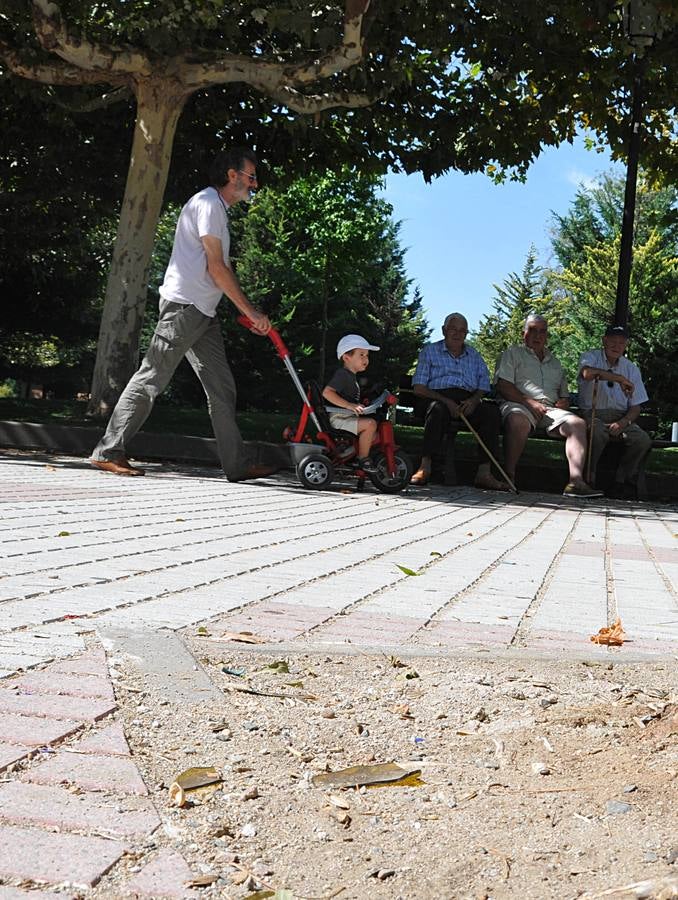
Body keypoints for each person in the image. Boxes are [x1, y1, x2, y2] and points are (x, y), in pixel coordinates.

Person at [90, 147, 278, 481]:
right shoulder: (208, 204)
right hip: (184, 308)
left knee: (221, 388)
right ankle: (108, 450)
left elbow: (215, 270)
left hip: (202, 311)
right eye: (251, 176)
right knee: (151, 377)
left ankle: (237, 465)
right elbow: (216, 267)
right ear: (231, 175)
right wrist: (250, 311)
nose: (255, 184)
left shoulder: (216, 208)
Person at [495, 314, 602, 498]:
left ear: (547, 336)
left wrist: (564, 402)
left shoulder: (555, 362)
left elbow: (564, 395)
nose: (538, 335)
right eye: (533, 330)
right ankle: (508, 476)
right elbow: (503, 386)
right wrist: (529, 402)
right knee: (518, 421)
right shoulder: (512, 353)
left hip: (550, 410)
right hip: (519, 403)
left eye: (542, 332)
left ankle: (575, 482)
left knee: (577, 424)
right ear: (524, 334)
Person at [410, 313, 509, 490]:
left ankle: (484, 473)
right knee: (437, 410)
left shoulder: (474, 355)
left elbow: (484, 385)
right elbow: (419, 388)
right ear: (444, 330)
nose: (457, 334)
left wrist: (473, 400)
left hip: (467, 401)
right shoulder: (430, 351)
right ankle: (425, 466)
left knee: (491, 413)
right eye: (453, 329)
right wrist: (446, 401)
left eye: (462, 331)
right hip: (437, 398)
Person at [578, 324, 651, 498]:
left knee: (642, 439)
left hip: (621, 416)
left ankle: (622, 481)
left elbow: (635, 406)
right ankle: (589, 478)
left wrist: (623, 422)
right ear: (604, 340)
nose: (616, 345)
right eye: (612, 341)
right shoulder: (590, 357)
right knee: (596, 432)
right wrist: (618, 378)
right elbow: (587, 373)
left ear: (626, 345)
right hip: (594, 413)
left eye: (621, 342)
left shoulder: (631, 368)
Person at [322, 334, 380, 473]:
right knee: (370, 424)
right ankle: (362, 460)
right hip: (339, 419)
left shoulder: (351, 377)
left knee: (375, 435)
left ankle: (348, 454)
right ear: (346, 357)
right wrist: (349, 405)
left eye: (367, 355)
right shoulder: (343, 374)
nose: (366, 359)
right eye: (361, 354)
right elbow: (327, 392)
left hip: (346, 417)